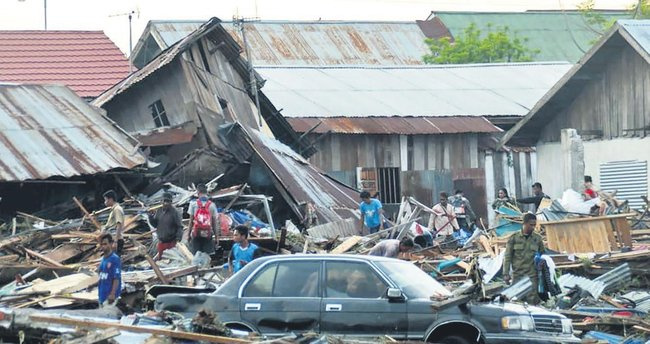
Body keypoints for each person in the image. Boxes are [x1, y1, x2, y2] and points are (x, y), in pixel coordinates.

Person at [502, 213, 545, 305]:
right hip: (517, 275)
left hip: (532, 276)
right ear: (524, 223)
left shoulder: (537, 239)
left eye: (534, 225)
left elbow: (542, 253)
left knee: (532, 302)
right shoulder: (514, 238)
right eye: (531, 225)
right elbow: (508, 256)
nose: (533, 227)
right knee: (517, 301)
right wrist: (506, 273)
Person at [149, 192, 183, 260]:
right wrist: (150, 217)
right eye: (164, 201)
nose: (166, 203)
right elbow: (155, 225)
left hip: (171, 242)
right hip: (161, 242)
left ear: (171, 202)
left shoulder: (174, 212)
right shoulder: (159, 211)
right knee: (161, 261)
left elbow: (179, 226)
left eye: (168, 201)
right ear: (161, 201)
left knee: (170, 261)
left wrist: (178, 239)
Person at [187, 184, 218, 255]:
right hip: (207, 234)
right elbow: (214, 223)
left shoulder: (193, 204)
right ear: (206, 192)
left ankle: (196, 266)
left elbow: (191, 221)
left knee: (196, 255)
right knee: (206, 256)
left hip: (196, 233)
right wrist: (216, 237)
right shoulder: (212, 205)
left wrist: (188, 235)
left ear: (198, 192)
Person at [98, 234, 121, 307]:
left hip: (109, 298)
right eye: (101, 244)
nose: (103, 246)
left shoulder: (114, 259)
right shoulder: (103, 259)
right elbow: (102, 276)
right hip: (102, 296)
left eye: (105, 244)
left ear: (111, 244)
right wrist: (92, 285)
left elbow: (116, 278)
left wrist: (112, 294)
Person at [102, 190, 124, 255]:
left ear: (111, 199)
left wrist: (115, 241)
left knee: (115, 260)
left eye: (106, 200)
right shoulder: (113, 209)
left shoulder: (117, 209)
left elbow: (119, 225)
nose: (105, 202)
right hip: (112, 239)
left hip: (116, 239)